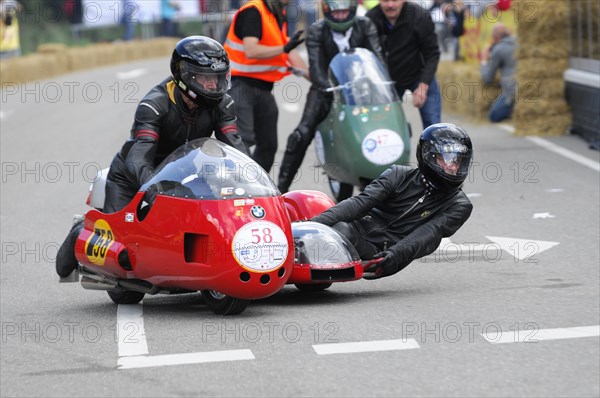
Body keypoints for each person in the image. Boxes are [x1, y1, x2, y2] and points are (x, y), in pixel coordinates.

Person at [55, 36, 247, 278]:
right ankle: (80, 232)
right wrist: (156, 188)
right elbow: (137, 159)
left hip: (184, 177)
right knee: (124, 258)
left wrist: (252, 183)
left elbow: (236, 148)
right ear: (185, 76)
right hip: (133, 178)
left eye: (218, 79)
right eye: (206, 79)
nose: (213, 86)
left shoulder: (222, 104)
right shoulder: (154, 104)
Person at [311, 123, 473, 280]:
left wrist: (396, 254)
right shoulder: (398, 175)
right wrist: (313, 224)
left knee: (340, 231)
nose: (452, 167)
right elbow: (360, 203)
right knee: (317, 206)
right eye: (444, 159)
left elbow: (429, 234)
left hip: (384, 253)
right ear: (427, 156)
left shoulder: (459, 205)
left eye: (457, 161)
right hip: (356, 229)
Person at [277, 0, 384, 193]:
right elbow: (316, 70)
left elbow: (377, 59)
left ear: (352, 10)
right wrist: (331, 88)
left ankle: (381, 189)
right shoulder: (317, 30)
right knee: (301, 134)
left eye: (344, 12)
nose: (341, 16)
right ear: (326, 11)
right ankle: (280, 189)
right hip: (325, 90)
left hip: (361, 91)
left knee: (379, 132)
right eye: (336, 12)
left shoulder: (365, 25)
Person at [223, 0, 309, 173]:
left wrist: (319, 80)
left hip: (263, 88)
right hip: (240, 85)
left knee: (269, 144)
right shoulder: (253, 11)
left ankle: (258, 186)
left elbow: (289, 51)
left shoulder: (277, 13)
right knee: (243, 143)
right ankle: (237, 192)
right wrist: (284, 48)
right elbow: (251, 50)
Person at [366, 0, 441, 130]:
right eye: (385, 1)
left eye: (395, 0)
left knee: (433, 125)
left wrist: (423, 86)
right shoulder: (370, 19)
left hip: (419, 76)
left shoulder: (420, 16)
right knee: (384, 127)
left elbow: (432, 54)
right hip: (387, 80)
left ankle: (433, 149)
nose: (390, 5)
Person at [480, 23, 517, 123]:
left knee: (493, 116)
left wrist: (483, 60)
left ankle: (513, 111)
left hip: (512, 92)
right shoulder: (520, 42)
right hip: (528, 87)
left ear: (495, 37)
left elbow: (488, 78)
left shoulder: (499, 49)